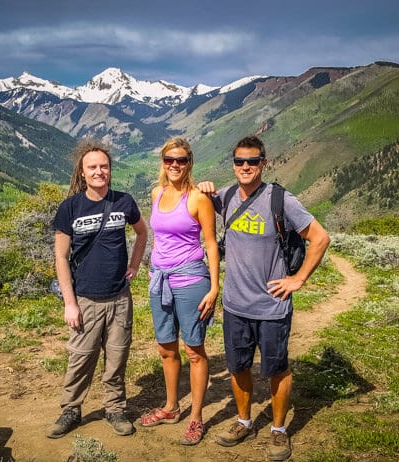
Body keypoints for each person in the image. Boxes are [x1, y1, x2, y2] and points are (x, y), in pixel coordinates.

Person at [197, 135, 330, 461]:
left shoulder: (280, 200)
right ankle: (244, 421)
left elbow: (320, 237)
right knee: (238, 367)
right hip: (235, 305)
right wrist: (202, 187)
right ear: (233, 163)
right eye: (240, 161)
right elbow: (196, 204)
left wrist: (298, 279)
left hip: (272, 306)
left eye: (252, 161)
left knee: (277, 369)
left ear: (263, 163)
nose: (245, 167)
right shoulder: (226, 196)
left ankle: (279, 430)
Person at [47, 138, 148, 439]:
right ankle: (71, 409)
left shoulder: (124, 201)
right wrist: (70, 303)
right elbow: (61, 257)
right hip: (86, 298)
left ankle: (115, 408)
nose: (99, 171)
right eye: (92, 167)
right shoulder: (70, 208)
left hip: (119, 298)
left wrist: (135, 264)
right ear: (82, 171)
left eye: (104, 166)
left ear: (110, 170)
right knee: (81, 357)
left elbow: (142, 232)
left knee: (117, 357)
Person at [140, 138, 219, 445]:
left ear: (190, 163)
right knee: (166, 348)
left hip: (190, 280)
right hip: (160, 281)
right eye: (170, 159)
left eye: (181, 160)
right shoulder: (156, 194)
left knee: (194, 350)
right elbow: (159, 237)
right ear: (163, 161)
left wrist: (214, 287)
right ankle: (172, 407)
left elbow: (210, 243)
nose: (175, 164)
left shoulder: (198, 198)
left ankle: (197, 417)